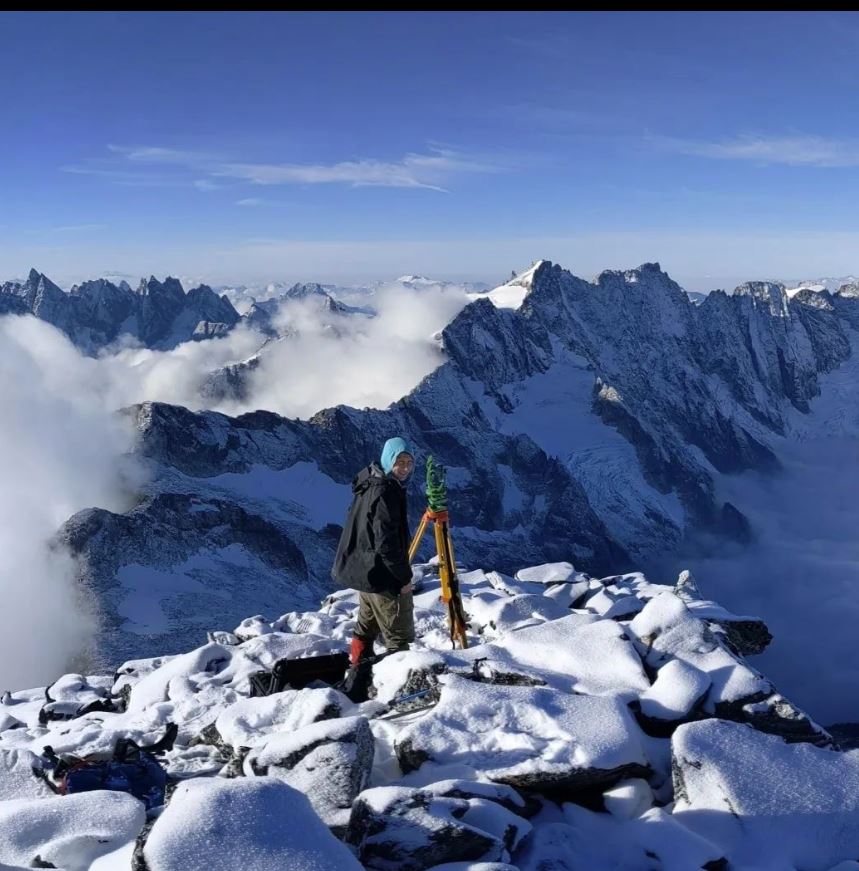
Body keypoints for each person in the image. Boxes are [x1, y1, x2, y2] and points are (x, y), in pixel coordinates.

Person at [331, 436, 417, 666]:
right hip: (382, 576)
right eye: (400, 462)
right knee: (398, 637)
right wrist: (403, 577)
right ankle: (397, 690)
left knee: (366, 628)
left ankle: (358, 674)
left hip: (366, 572)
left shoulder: (369, 482)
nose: (405, 468)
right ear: (389, 461)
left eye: (409, 462)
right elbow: (386, 542)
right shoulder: (386, 492)